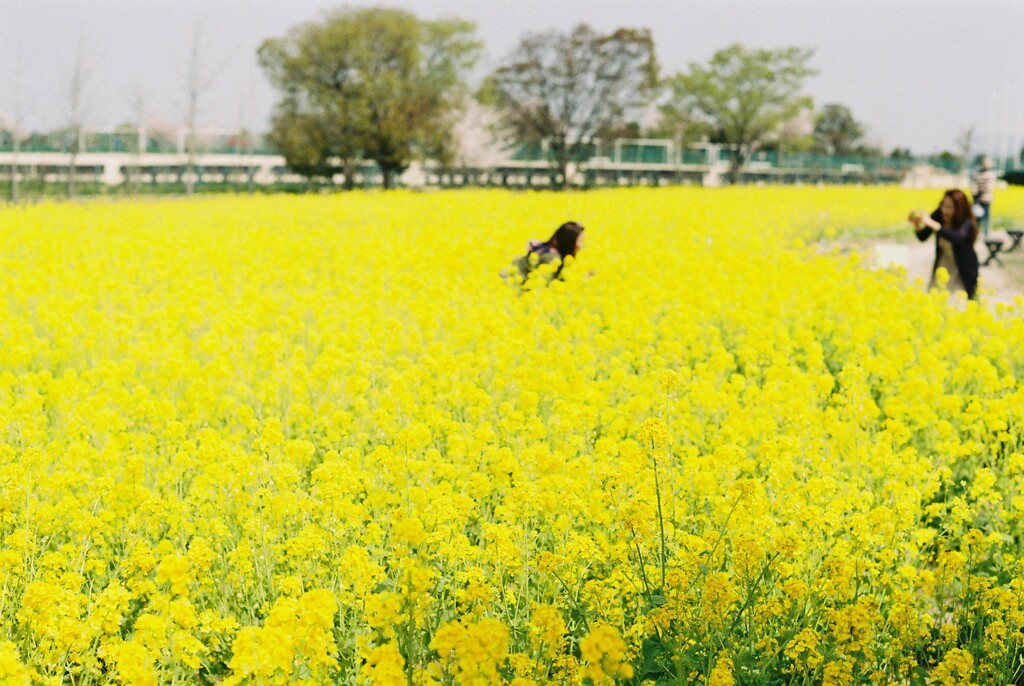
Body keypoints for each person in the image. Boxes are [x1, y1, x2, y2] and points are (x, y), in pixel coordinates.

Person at [908, 188, 979, 300]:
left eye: (950, 207)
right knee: (935, 299)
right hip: (942, 265)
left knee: (957, 301)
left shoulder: (967, 222)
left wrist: (933, 224)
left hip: (962, 268)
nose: (945, 210)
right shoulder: (939, 215)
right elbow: (923, 236)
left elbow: (957, 237)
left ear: (960, 208)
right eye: (943, 206)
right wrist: (917, 225)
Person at [506, 221, 585, 285]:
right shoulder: (552, 259)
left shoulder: (547, 250)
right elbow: (544, 286)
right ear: (569, 242)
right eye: (580, 241)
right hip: (510, 282)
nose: (582, 245)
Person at [970, 157, 997, 238]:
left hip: (978, 199)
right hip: (986, 198)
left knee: (978, 216)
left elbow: (973, 186)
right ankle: (985, 233)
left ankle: (977, 232)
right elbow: (990, 187)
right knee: (985, 216)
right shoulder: (991, 174)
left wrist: (976, 193)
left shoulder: (976, 174)